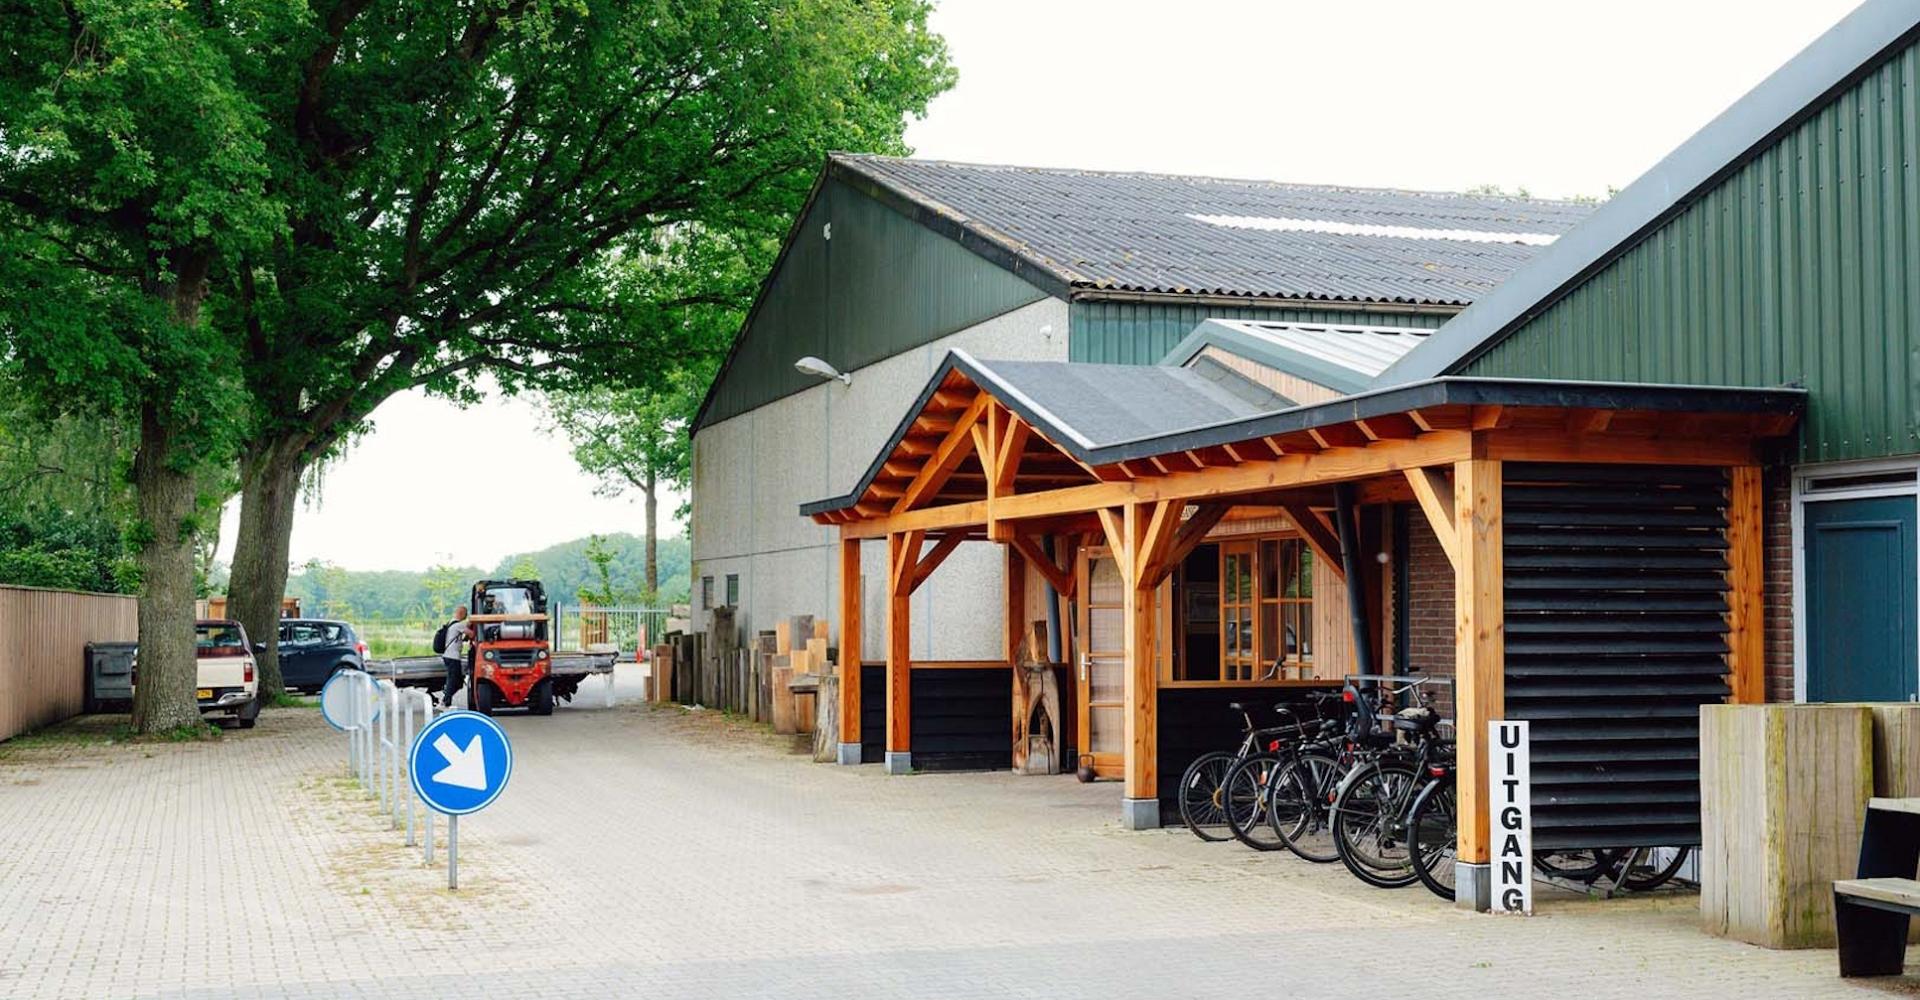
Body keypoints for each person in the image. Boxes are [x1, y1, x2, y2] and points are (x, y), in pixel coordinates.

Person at [439, 605, 471, 708]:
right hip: (453, 657)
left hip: (448, 656)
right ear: (461, 613)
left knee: (456, 681)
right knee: (454, 680)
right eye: (465, 615)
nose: (466, 617)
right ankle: (445, 701)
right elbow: (472, 634)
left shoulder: (451, 622)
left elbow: (462, 637)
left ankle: (446, 698)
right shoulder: (459, 625)